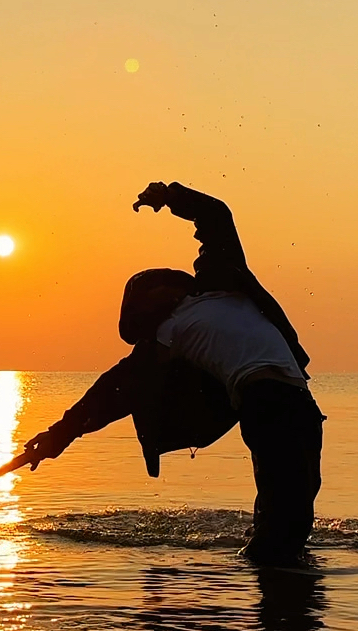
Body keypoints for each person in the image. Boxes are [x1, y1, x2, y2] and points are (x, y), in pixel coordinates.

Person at [24, 181, 325, 567]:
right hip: (263, 400)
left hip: (301, 403)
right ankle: (268, 593)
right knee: (283, 523)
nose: (159, 285)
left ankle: (278, 591)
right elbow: (112, 391)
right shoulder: (166, 337)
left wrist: (170, 196)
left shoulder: (222, 278)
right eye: (147, 290)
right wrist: (58, 434)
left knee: (296, 512)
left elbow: (217, 216)